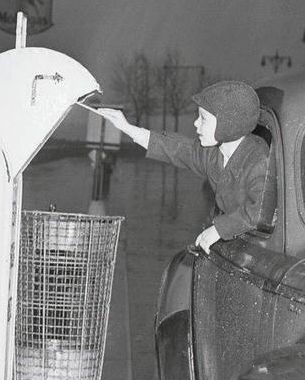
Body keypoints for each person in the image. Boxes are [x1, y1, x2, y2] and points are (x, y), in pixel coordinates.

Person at [92, 81, 270, 253]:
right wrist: (127, 128)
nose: (195, 123)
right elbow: (175, 148)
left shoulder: (258, 159)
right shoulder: (214, 153)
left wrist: (218, 230)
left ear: (228, 123)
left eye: (203, 119)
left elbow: (260, 210)